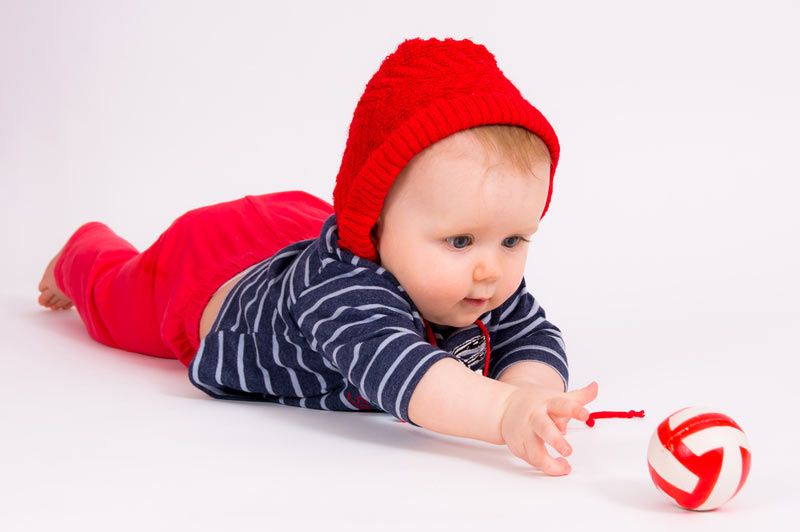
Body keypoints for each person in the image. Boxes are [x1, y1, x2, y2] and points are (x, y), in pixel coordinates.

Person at [37, 37, 598, 476]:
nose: (490, 268)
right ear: (375, 226)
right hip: (210, 273)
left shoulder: (479, 278)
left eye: (513, 240)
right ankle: (82, 252)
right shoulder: (344, 295)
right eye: (460, 241)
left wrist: (535, 394)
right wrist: (503, 413)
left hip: (299, 231)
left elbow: (532, 335)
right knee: (116, 299)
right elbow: (410, 375)